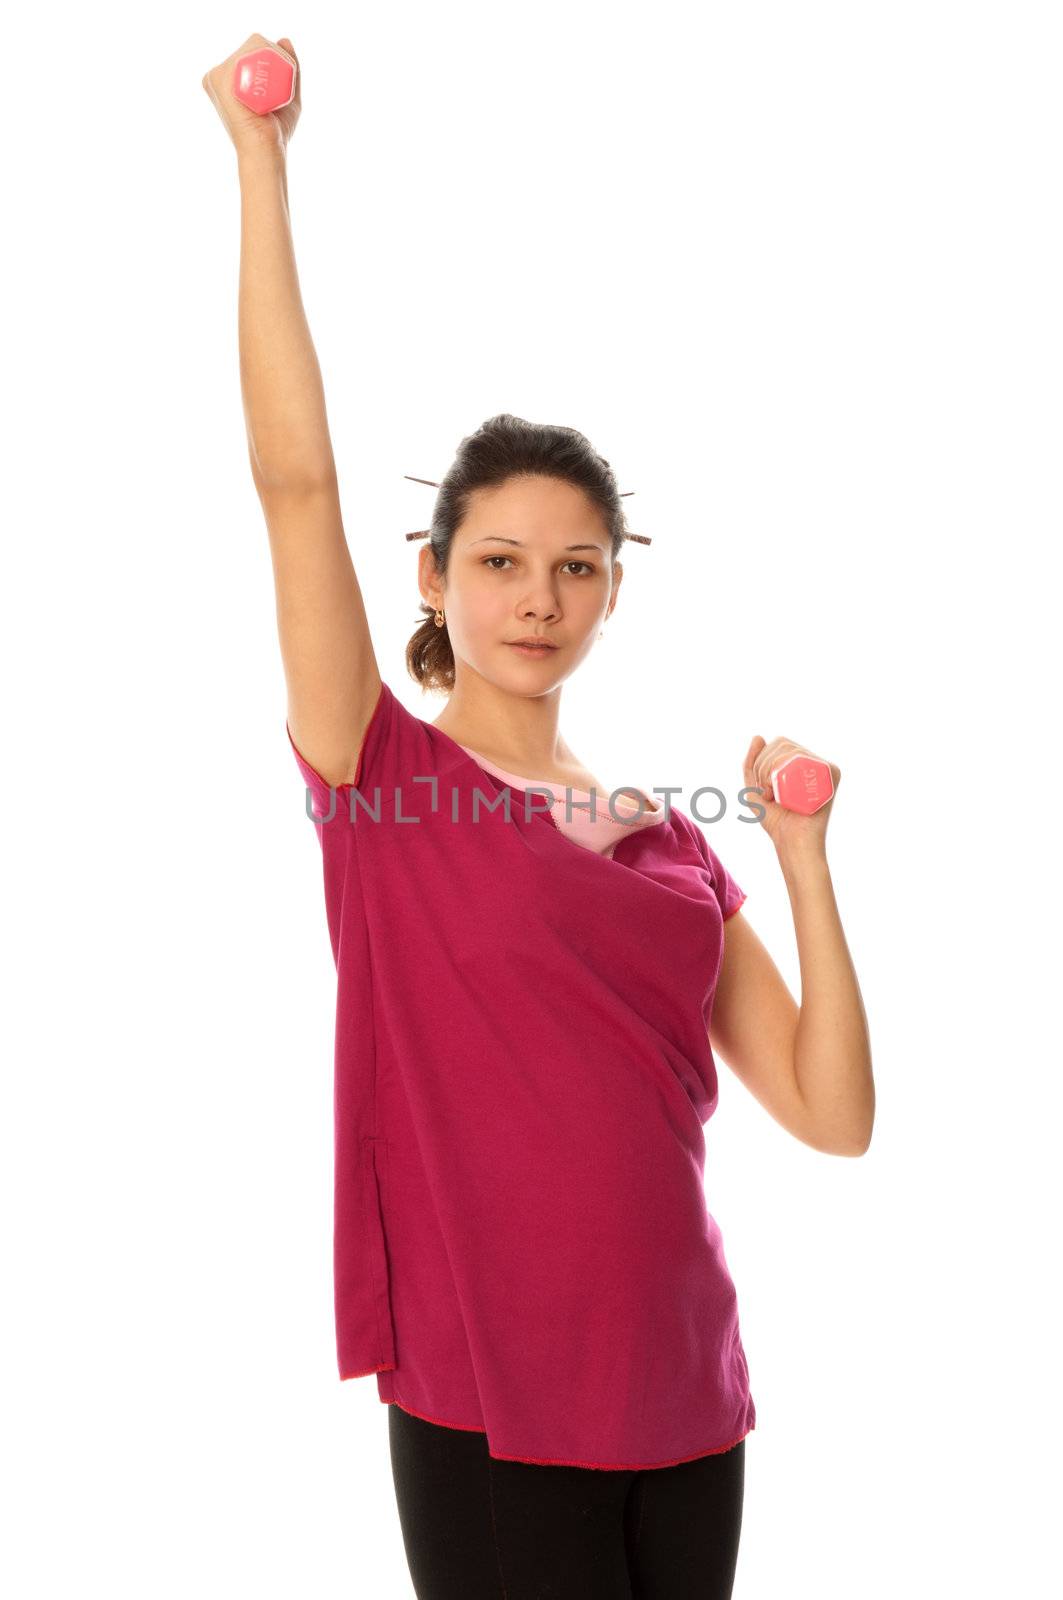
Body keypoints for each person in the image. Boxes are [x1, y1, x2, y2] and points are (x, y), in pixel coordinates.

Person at [204, 34, 875, 1599]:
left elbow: (830, 1116)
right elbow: (295, 484)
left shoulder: (676, 843)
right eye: (498, 561)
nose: (540, 598)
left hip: (689, 1387)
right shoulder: (384, 780)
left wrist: (805, 864)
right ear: (432, 578)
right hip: (492, 1389)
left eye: (576, 567)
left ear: (614, 592)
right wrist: (262, 166)